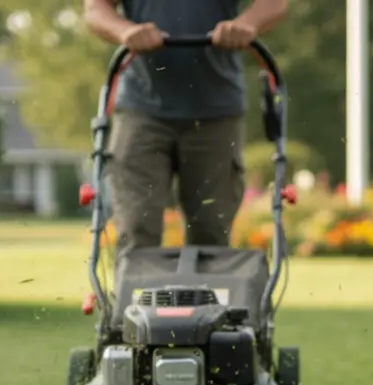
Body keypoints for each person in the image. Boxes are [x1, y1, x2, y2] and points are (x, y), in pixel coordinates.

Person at [84, 0, 289, 255]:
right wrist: (125, 31)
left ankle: (204, 294)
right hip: (142, 111)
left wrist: (245, 25)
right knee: (136, 225)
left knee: (211, 229)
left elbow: (275, 3)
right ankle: (138, 295)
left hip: (216, 113)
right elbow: (95, 8)